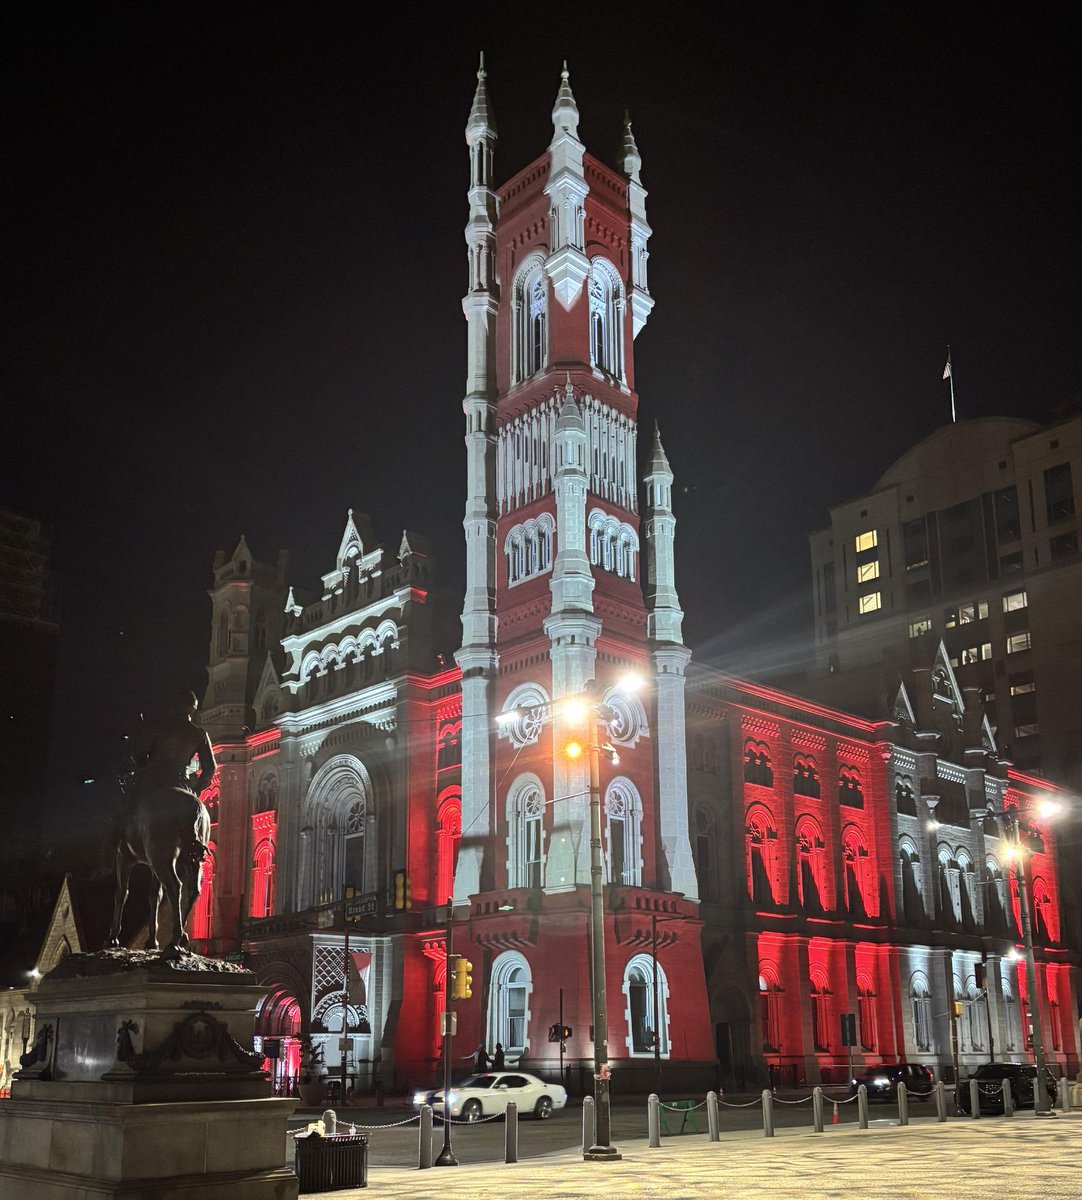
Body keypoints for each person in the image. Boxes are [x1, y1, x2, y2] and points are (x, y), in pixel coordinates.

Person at [124, 690, 216, 801]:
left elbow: (138, 754)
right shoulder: (200, 734)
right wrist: (196, 790)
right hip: (182, 782)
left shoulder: (157, 727)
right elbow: (210, 768)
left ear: (173, 706)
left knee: (128, 804)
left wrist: (144, 766)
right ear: (193, 709)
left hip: (153, 779)